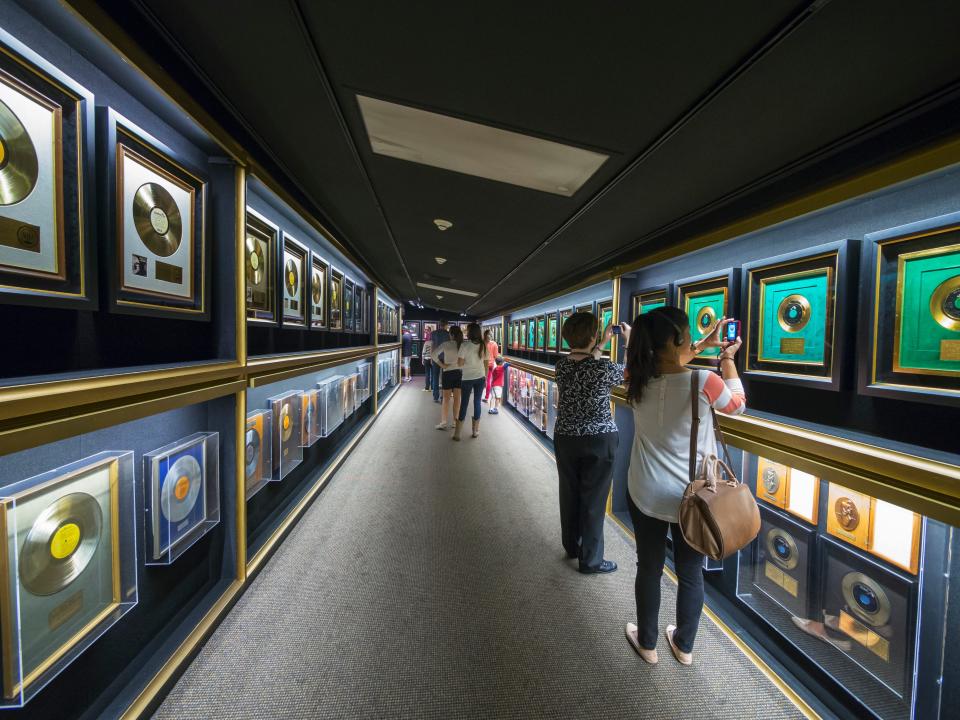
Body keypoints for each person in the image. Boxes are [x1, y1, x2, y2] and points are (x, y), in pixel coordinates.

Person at [622, 307, 745, 667]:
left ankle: (647, 643)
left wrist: (704, 342)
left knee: (649, 567)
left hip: (644, 490)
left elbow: (673, 363)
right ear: (678, 339)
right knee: (691, 572)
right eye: (689, 334)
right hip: (693, 498)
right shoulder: (706, 381)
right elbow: (737, 406)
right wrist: (727, 360)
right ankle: (684, 645)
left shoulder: (636, 376)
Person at [553, 312, 629, 575]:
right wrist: (627, 342)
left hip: (565, 436)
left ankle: (572, 546)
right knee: (594, 500)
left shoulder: (561, 367)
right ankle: (591, 560)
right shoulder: (603, 369)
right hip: (598, 440)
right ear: (593, 335)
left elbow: (583, 362)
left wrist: (600, 344)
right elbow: (631, 373)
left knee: (569, 492)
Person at [454, 323, 489, 440]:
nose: (466, 332)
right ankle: (475, 431)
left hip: (467, 378)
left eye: (467, 330)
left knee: (464, 403)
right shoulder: (483, 345)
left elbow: (459, 363)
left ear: (470, 332)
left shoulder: (465, 346)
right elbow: (486, 364)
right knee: (477, 402)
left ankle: (458, 433)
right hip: (480, 377)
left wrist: (466, 363)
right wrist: (485, 377)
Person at [432, 325, 463, 430]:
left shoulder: (446, 344)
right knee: (457, 399)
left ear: (452, 335)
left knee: (446, 399)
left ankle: (444, 422)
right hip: (459, 373)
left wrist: (443, 365)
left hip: (447, 373)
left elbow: (433, 355)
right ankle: (455, 421)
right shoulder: (462, 345)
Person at [430, 320, 451, 404]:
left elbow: (432, 345)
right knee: (445, 378)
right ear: (446, 325)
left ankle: (435, 396)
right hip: (446, 358)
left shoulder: (433, 333)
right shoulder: (448, 334)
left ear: (439, 325)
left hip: (436, 357)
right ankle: (443, 397)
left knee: (435, 377)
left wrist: (432, 357)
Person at [482, 329, 500, 402]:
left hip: (482, 364)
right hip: (490, 365)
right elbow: (496, 356)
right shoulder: (494, 344)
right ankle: (486, 397)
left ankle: (479, 394)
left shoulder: (482, 343)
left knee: (482, 380)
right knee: (488, 380)